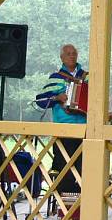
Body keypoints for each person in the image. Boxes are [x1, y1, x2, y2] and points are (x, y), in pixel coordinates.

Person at [35, 44, 86, 193]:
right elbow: (40, 101)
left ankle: (83, 208)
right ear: (62, 58)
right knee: (64, 169)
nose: (72, 56)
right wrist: (57, 97)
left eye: (74, 53)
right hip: (64, 130)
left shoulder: (87, 77)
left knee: (85, 169)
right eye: (68, 54)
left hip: (84, 129)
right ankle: (64, 208)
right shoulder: (56, 77)